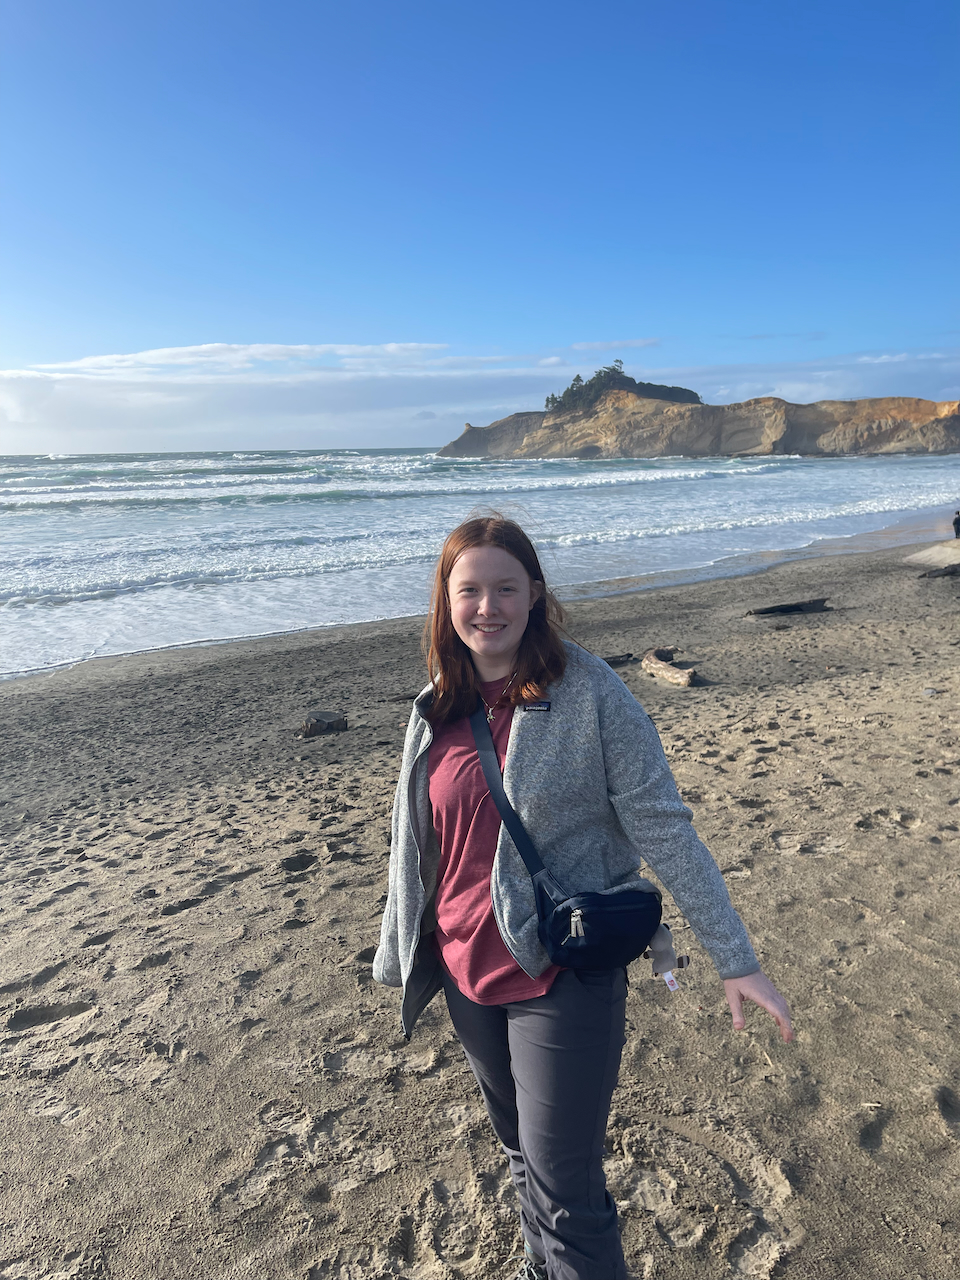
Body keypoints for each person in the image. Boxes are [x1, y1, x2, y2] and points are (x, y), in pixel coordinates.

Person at [374, 515, 793, 1280]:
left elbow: (666, 829)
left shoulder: (591, 691)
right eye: (469, 590)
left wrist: (736, 958)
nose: (487, 607)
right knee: (519, 1157)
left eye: (506, 588)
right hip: (466, 970)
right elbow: (418, 846)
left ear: (535, 594)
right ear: (447, 599)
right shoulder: (432, 704)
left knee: (566, 1190)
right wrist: (404, 946)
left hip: (558, 970)